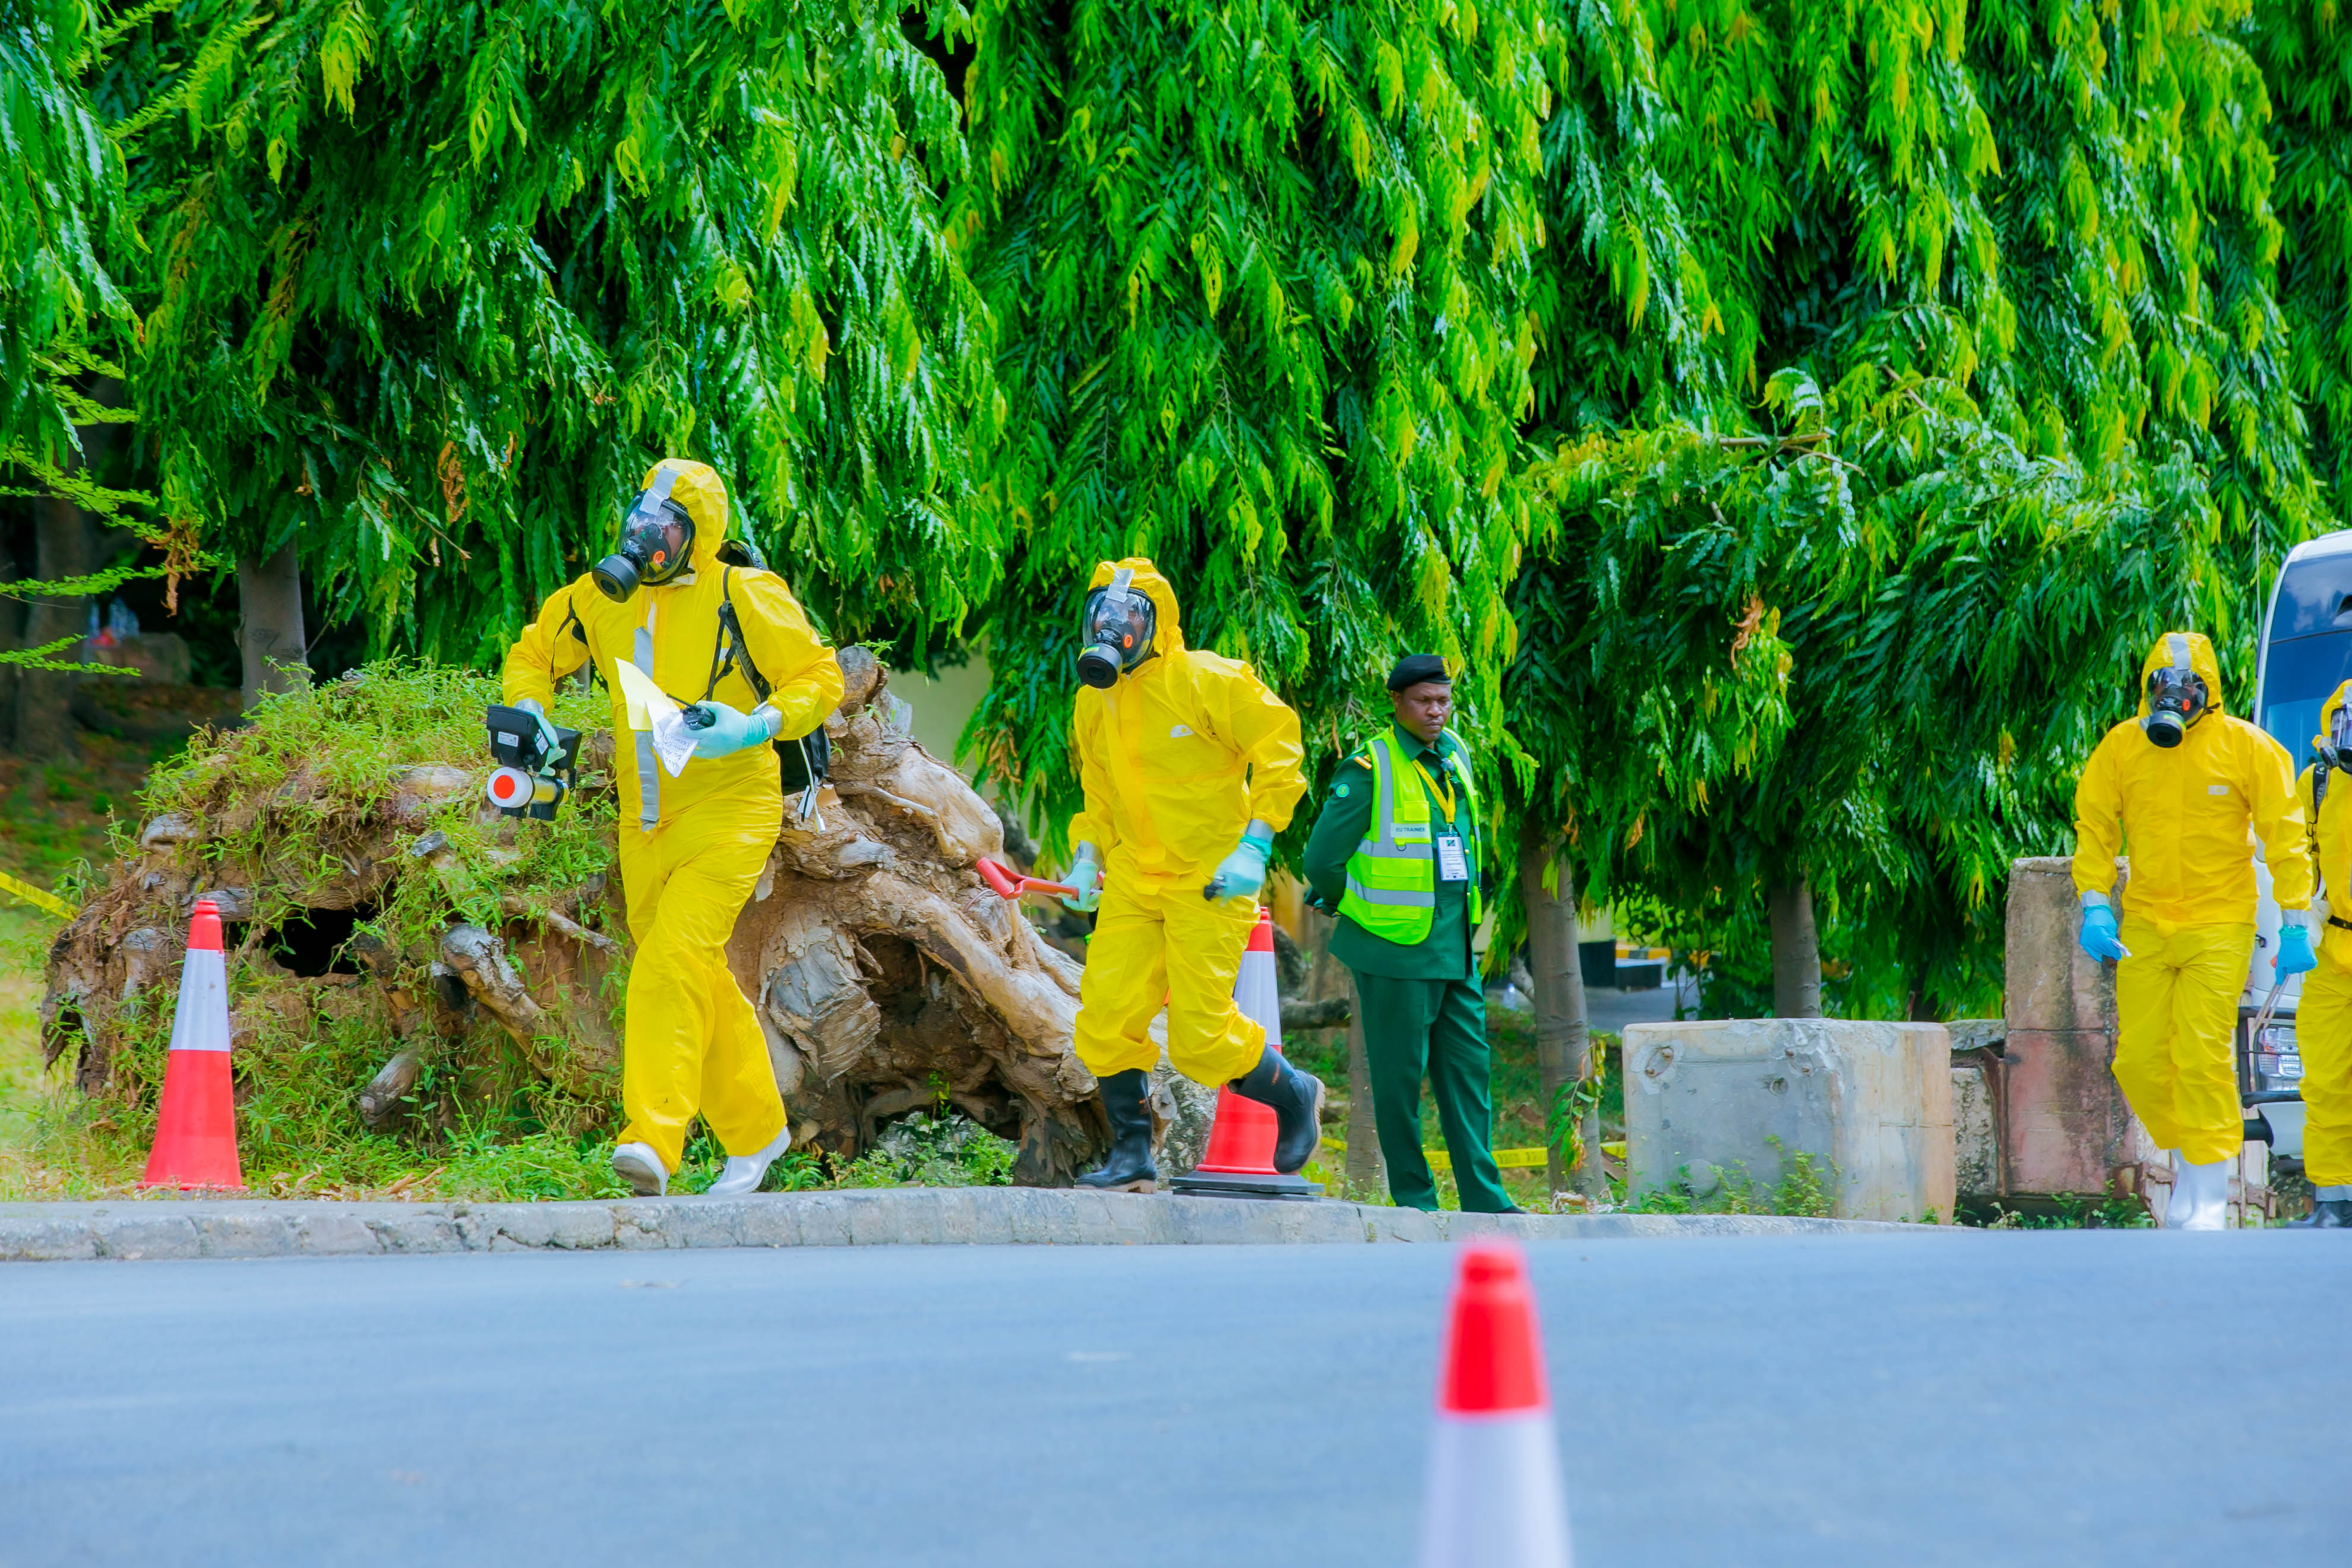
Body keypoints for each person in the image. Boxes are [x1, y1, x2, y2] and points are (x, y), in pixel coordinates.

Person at [505, 458, 843, 1197]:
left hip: (730, 810)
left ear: (699, 536)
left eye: (666, 529)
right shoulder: (599, 598)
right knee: (693, 970)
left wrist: (755, 726)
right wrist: (530, 707)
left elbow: (820, 678)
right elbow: (534, 654)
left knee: (668, 964)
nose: (645, 539)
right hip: (644, 819)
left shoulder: (742, 592)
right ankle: (758, 1133)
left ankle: (652, 1142)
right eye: (640, 521)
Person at [1061, 558, 1322, 1192]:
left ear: (1157, 621)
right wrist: (1087, 855)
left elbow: (1281, 749)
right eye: (1103, 615)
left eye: (1127, 618)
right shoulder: (1094, 701)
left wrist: (1256, 843)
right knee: (1104, 1018)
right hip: (1132, 879)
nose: (1113, 628)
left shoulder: (1210, 680)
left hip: (1211, 878)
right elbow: (1099, 791)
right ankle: (1132, 1154)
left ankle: (1294, 1094)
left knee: (1202, 1041)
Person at [2073, 631, 2313, 1230]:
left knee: (2203, 1054)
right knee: (2140, 1061)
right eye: (2165, 686)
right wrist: (2094, 905)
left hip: (2219, 921)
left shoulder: (2247, 749)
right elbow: (2096, 828)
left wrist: (2293, 922)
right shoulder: (2122, 748)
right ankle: (2190, 1167)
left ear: (2208, 691)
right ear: (2149, 688)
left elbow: (2286, 836)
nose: (2175, 698)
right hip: (2148, 924)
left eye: (2188, 688)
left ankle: (2206, 1191)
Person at [1301, 655, 1519, 1215]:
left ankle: (1485, 1199)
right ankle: (1416, 1200)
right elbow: (1322, 859)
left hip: (1455, 948)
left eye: (1444, 700)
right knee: (1400, 1085)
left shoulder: (1457, 754)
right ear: (1396, 703)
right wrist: (1352, 905)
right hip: (1394, 950)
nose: (1436, 711)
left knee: (1470, 1077)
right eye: (1424, 701)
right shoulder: (1369, 767)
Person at [2284, 681, 2352, 1227]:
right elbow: (2302, 857)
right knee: (2327, 1078)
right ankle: (2333, 1200)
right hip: (2334, 953)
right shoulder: (2318, 784)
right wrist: (2303, 920)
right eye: (2342, 721)